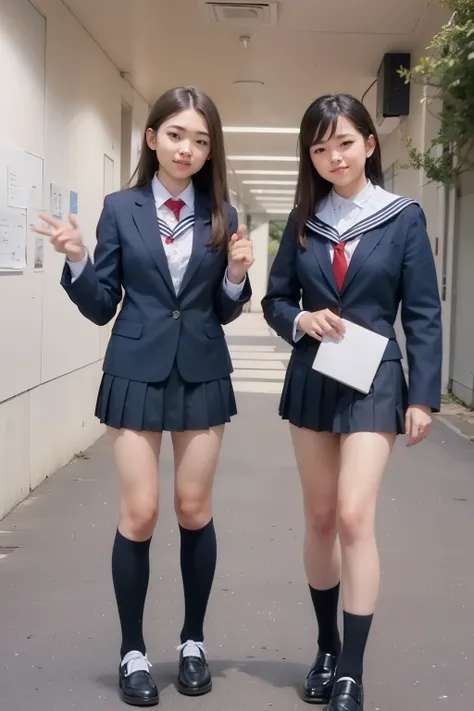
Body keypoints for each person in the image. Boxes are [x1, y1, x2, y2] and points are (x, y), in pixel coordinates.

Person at [34, 86, 253, 707]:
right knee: (140, 512)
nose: (188, 148)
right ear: (153, 137)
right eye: (178, 134)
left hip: (204, 369)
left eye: (202, 140)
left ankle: (192, 642)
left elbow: (222, 308)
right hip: (133, 368)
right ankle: (133, 648)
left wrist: (237, 277)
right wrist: (79, 259)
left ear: (211, 151)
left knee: (193, 508)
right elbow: (104, 304)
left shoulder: (224, 214)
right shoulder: (119, 208)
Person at [261, 93, 442, 711]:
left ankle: (352, 671)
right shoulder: (303, 221)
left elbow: (421, 312)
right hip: (314, 375)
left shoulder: (402, 217)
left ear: (369, 143)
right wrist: (300, 320)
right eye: (319, 147)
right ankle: (326, 646)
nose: (333, 156)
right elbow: (274, 299)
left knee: (353, 516)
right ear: (309, 157)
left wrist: (423, 396)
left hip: (375, 377)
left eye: (343, 142)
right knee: (318, 517)